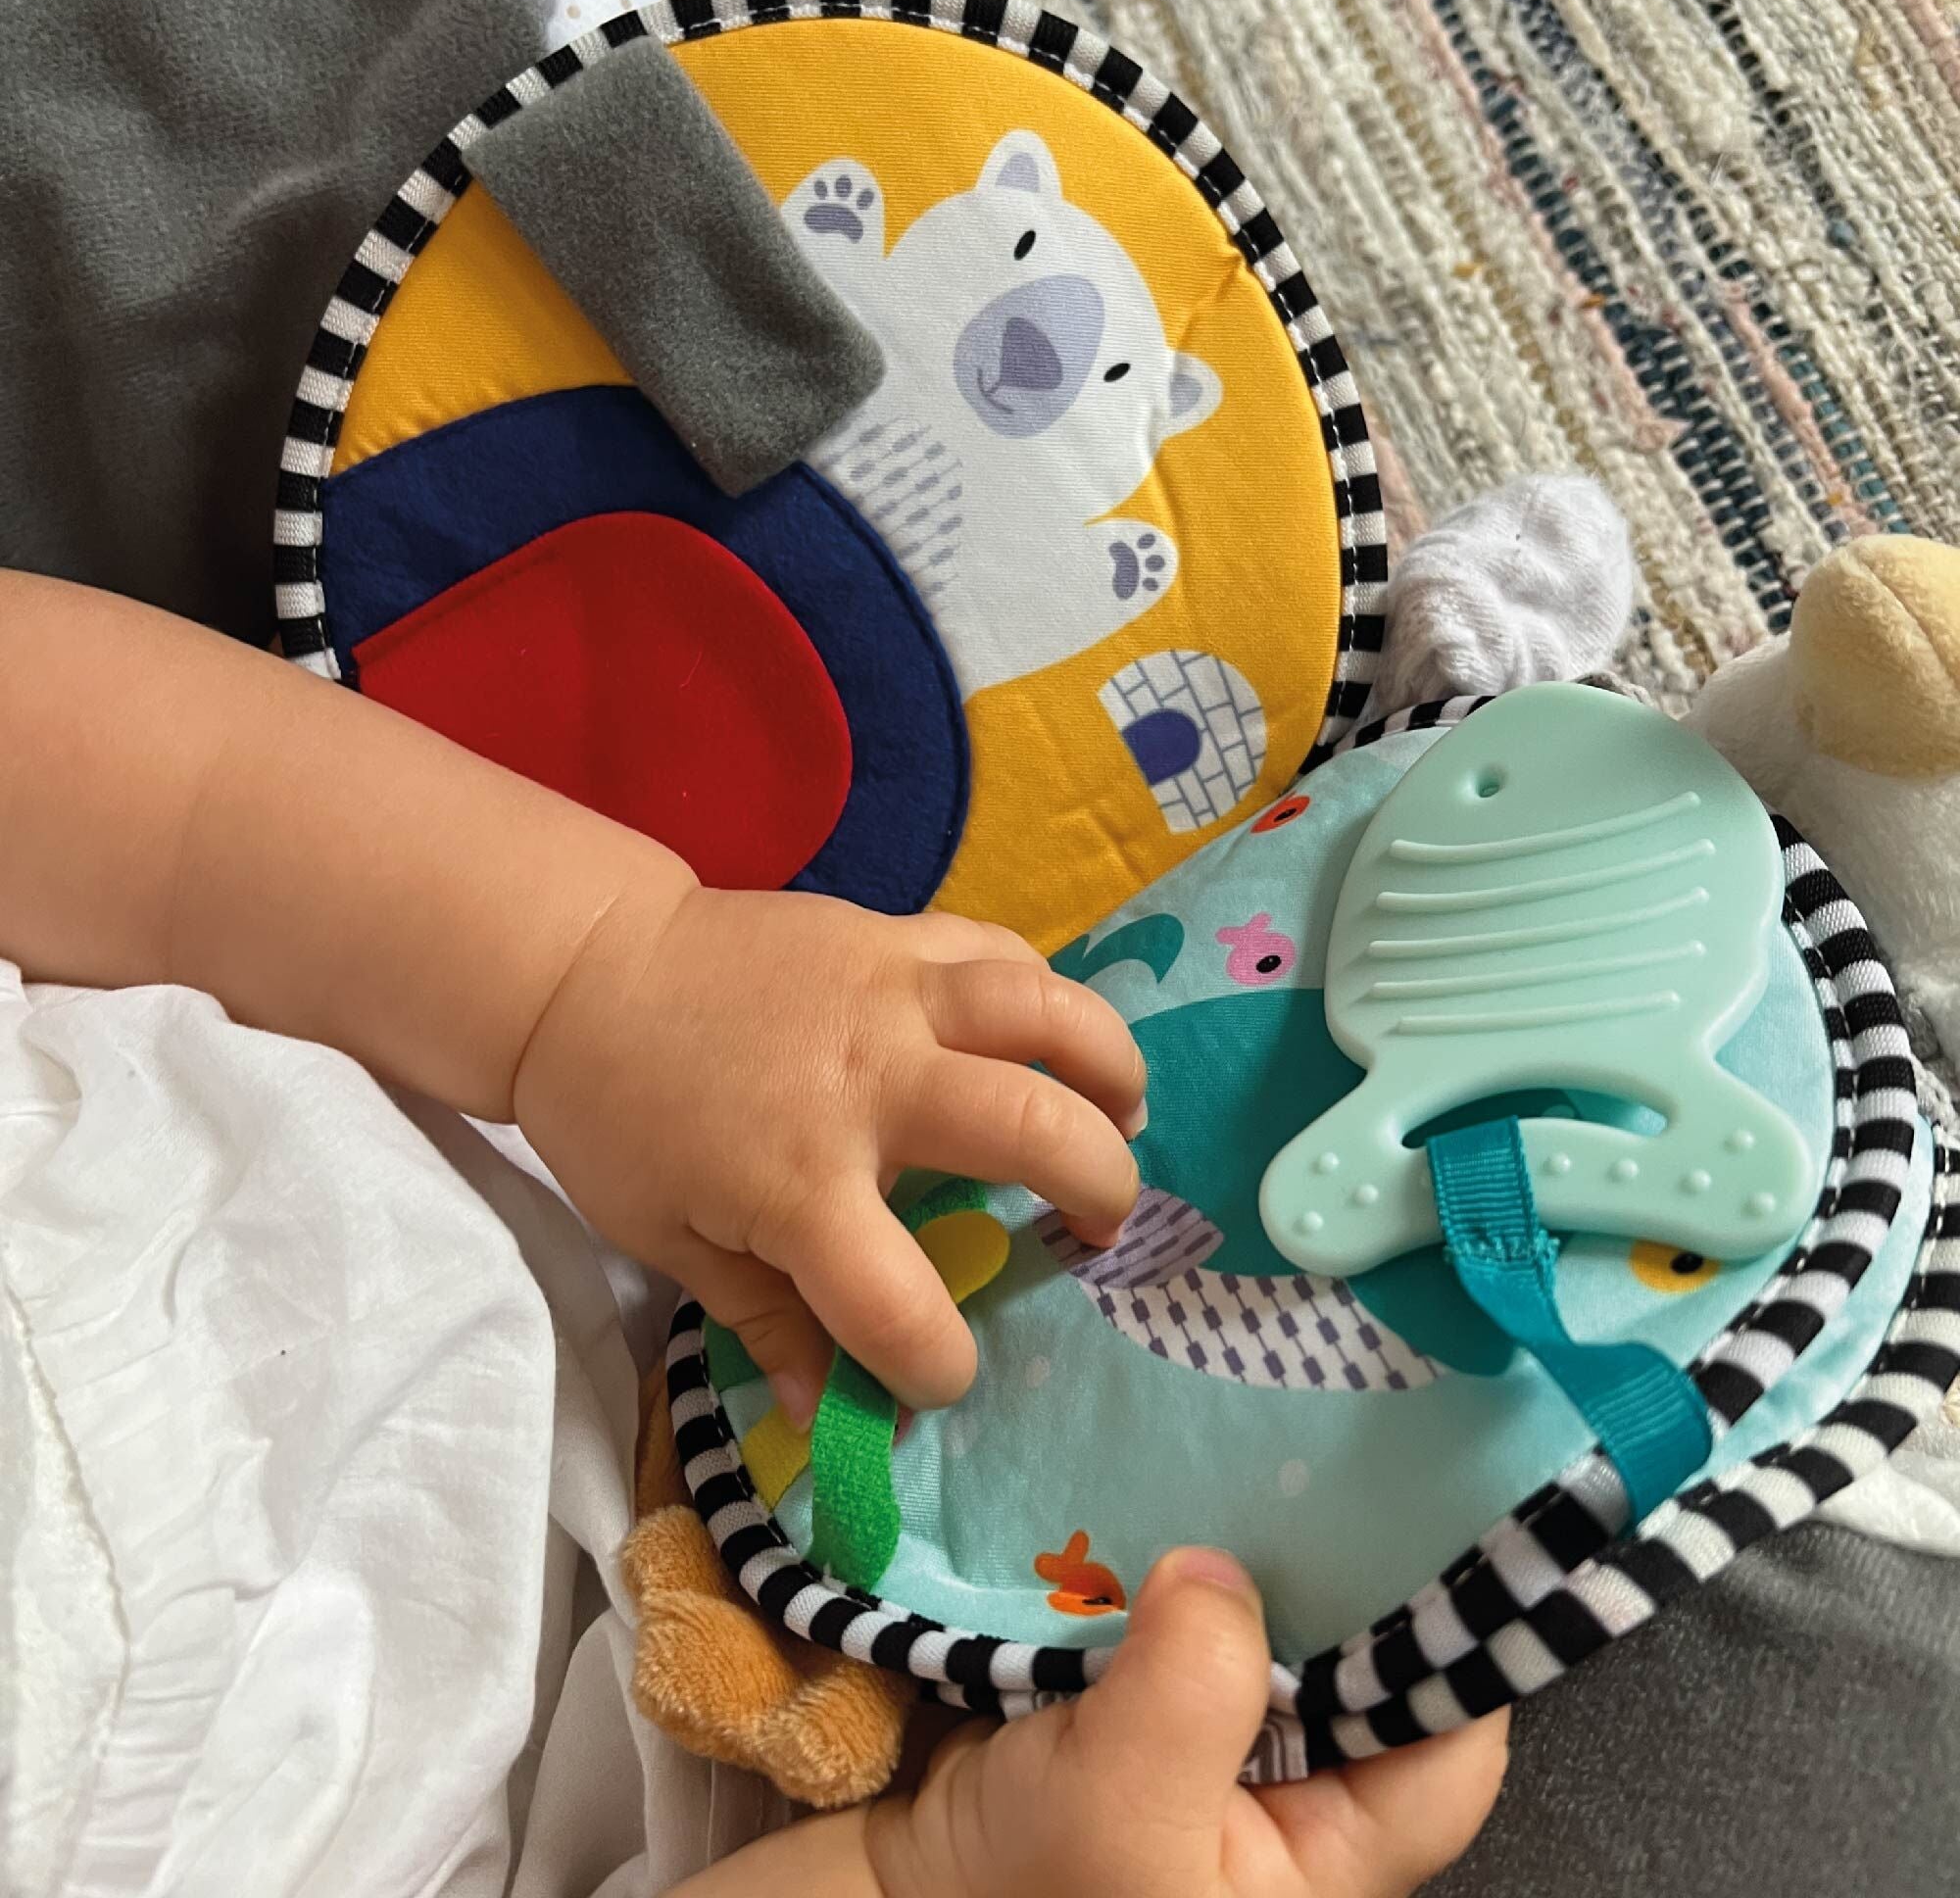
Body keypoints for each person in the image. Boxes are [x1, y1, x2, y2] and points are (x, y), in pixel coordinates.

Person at [0, 570, 1505, 1893]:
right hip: (806, 1763)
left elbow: (148, 788)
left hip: (531, 1061)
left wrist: (592, 973)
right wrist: (941, 1879)